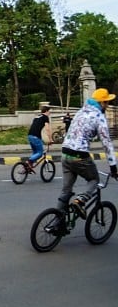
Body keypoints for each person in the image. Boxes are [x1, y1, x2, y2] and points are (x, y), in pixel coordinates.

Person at [54, 88, 118, 225]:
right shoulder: (99, 117)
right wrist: (113, 168)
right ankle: (80, 200)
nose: (107, 106)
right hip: (80, 155)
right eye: (106, 103)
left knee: (66, 190)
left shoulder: (80, 111)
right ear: (101, 103)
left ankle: (56, 222)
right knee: (94, 179)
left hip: (65, 153)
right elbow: (107, 144)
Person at [25, 106, 52, 170]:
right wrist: (50, 139)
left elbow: (35, 127)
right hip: (35, 137)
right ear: (46, 111)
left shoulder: (36, 117)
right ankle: (29, 161)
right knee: (40, 153)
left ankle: (28, 167)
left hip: (30, 136)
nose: (50, 113)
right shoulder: (45, 117)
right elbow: (47, 129)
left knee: (35, 153)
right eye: (49, 111)